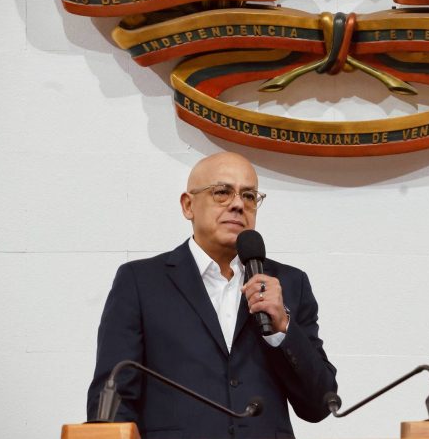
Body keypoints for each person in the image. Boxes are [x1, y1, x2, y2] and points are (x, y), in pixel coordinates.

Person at [86, 152, 338, 439]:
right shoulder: (140, 282)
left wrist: (283, 329)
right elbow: (114, 393)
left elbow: (320, 404)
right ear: (188, 205)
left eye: (249, 196)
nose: (238, 204)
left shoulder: (289, 284)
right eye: (222, 192)